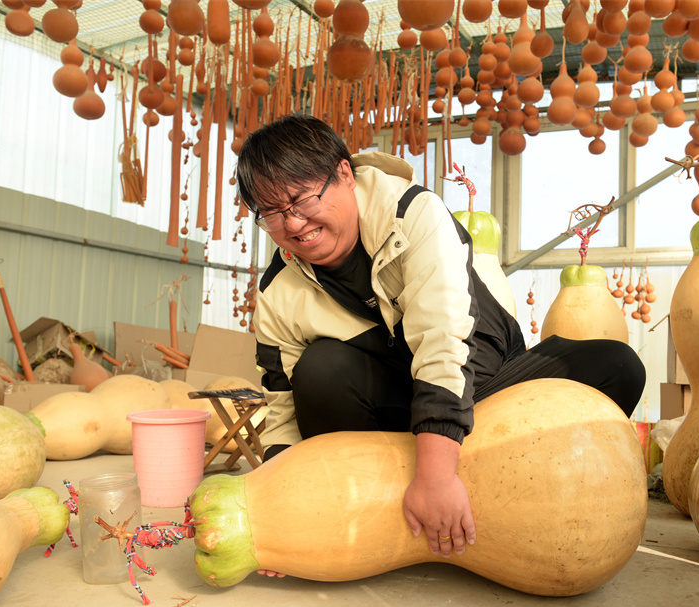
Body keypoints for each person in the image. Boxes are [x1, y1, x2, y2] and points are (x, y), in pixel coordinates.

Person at [236, 115, 645, 568]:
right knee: (319, 370)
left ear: (345, 175)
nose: (293, 224)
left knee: (617, 365)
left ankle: (452, 473)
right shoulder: (276, 290)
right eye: (271, 213)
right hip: (392, 409)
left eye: (300, 200)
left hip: (485, 378)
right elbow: (282, 403)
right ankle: (389, 496)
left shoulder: (414, 214)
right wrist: (275, 512)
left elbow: (443, 340)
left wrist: (434, 476)